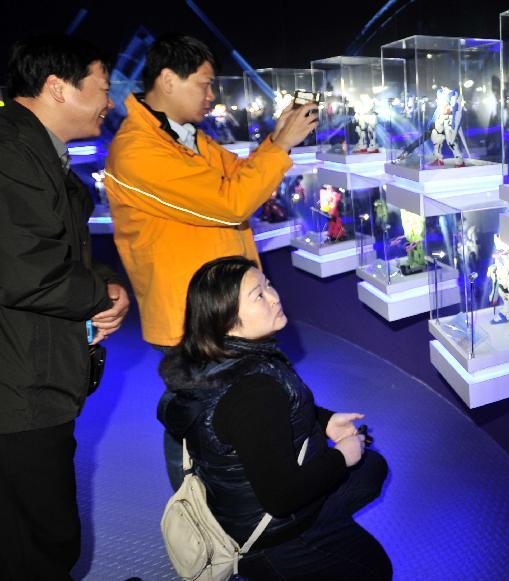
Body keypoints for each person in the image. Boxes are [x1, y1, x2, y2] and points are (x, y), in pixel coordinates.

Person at [103, 35, 317, 488]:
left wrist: (277, 138)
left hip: (219, 311)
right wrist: (280, 147)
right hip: (188, 318)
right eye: (203, 84)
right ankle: (194, 526)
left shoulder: (185, 138)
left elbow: (239, 176)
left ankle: (241, 511)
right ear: (166, 79)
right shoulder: (139, 149)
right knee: (194, 424)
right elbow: (232, 203)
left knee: (239, 418)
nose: (211, 95)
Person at [158, 256, 391, 580]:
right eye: (258, 295)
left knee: (372, 469)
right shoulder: (254, 392)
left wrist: (324, 420)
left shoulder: (214, 358)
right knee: (374, 568)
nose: (274, 296)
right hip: (272, 533)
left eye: (268, 284)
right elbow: (281, 498)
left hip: (237, 501)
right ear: (228, 320)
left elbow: (250, 424)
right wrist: (341, 457)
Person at [0, 36, 130, 578]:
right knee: (42, 541)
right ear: (57, 87)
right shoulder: (11, 152)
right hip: (18, 392)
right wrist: (103, 296)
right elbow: (25, 268)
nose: (109, 102)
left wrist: (103, 285)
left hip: (32, 376)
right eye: (102, 88)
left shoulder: (33, 151)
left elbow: (56, 250)